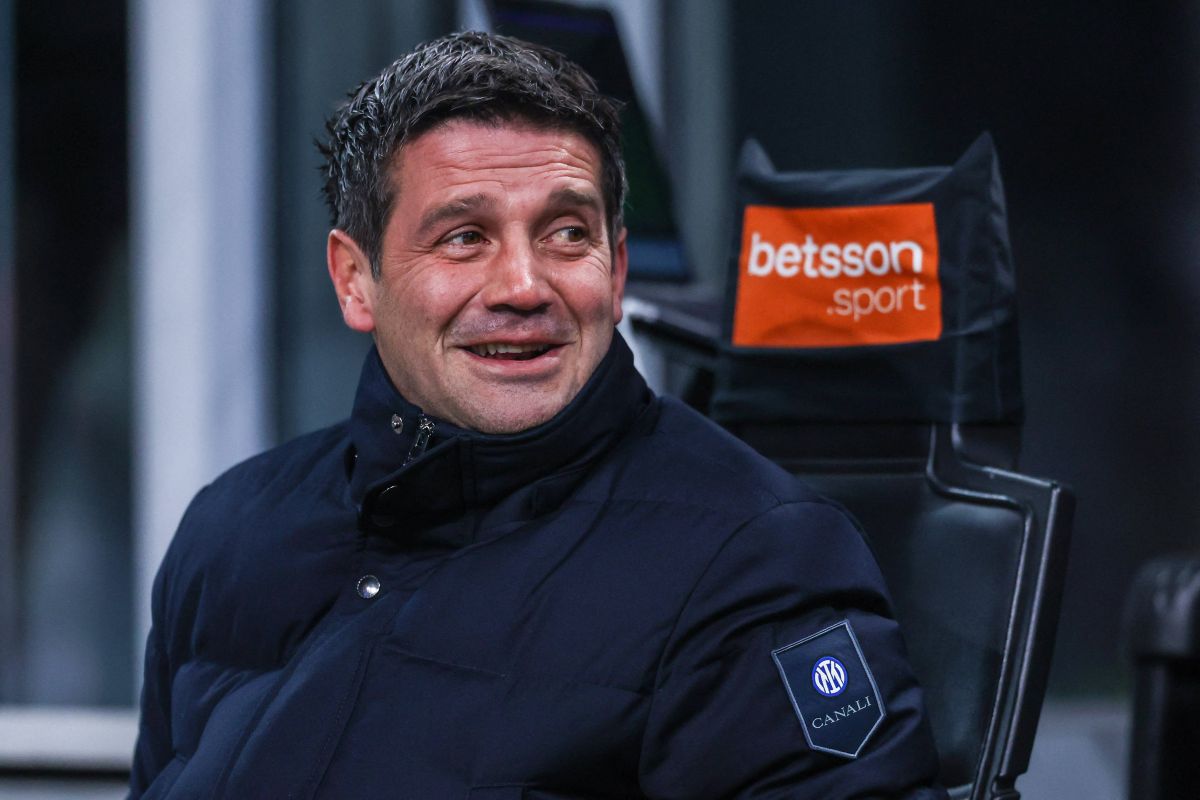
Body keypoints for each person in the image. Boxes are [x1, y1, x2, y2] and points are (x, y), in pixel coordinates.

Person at [130, 31, 946, 799]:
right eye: (464, 237)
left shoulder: (760, 561)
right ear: (355, 280)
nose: (523, 286)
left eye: (565, 233)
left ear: (616, 271)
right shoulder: (233, 527)